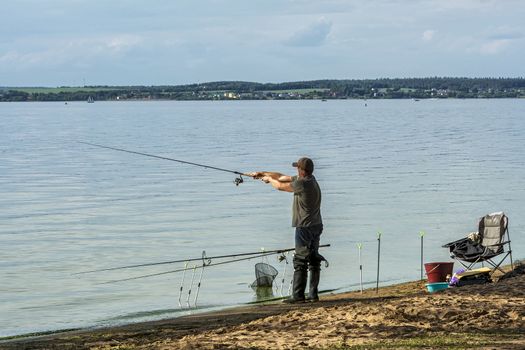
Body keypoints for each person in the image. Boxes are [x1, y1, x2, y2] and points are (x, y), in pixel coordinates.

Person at [249, 157, 323, 303]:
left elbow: (279, 186)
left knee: (301, 260)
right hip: (316, 225)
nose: (296, 170)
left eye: (298, 168)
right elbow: (282, 177)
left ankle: (298, 296)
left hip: (305, 227)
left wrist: (269, 180)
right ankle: (313, 295)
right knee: (314, 259)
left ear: (302, 171)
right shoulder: (310, 179)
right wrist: (263, 174)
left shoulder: (302, 183)